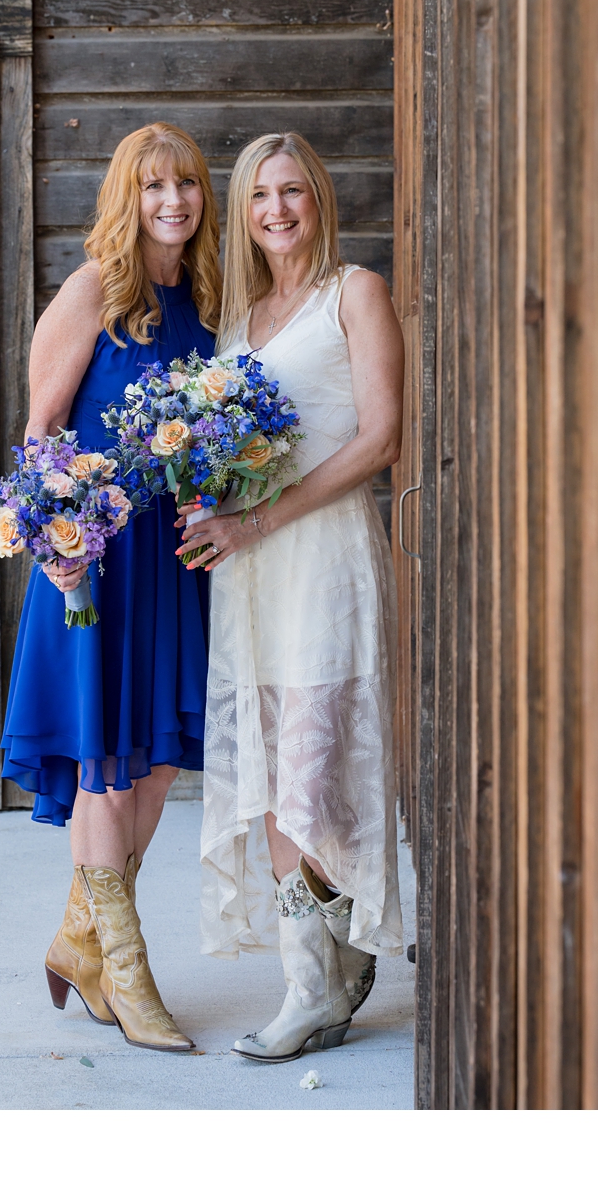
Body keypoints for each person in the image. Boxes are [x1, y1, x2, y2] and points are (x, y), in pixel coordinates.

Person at [175, 131, 406, 1064]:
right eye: (261, 195)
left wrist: (264, 519)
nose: (277, 209)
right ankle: (315, 982)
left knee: (318, 763)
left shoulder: (355, 293)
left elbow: (380, 439)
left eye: (293, 191)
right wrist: (208, 492)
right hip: (249, 570)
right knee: (268, 763)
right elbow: (227, 447)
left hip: (321, 561)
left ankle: (328, 975)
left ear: (319, 197)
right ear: (245, 211)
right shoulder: (237, 321)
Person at [0, 122, 219, 1053]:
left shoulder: (206, 300)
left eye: (187, 185)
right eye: (153, 186)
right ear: (126, 198)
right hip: (92, 557)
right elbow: (41, 430)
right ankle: (127, 975)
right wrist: (59, 540)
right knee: (104, 763)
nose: (172, 201)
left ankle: (80, 942)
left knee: (159, 759)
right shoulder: (96, 289)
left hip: (172, 561)